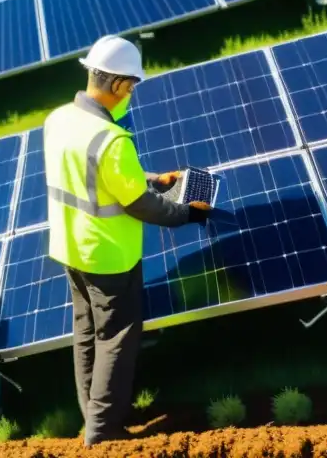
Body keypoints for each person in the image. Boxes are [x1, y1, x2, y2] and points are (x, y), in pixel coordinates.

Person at [43, 34, 212, 446]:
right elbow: (141, 205)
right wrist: (188, 213)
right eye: (132, 84)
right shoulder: (113, 139)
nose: (133, 92)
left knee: (86, 335)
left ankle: (92, 417)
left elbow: (94, 173)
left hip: (71, 249)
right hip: (108, 257)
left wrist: (156, 178)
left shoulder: (59, 119)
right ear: (117, 84)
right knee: (116, 338)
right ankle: (103, 432)